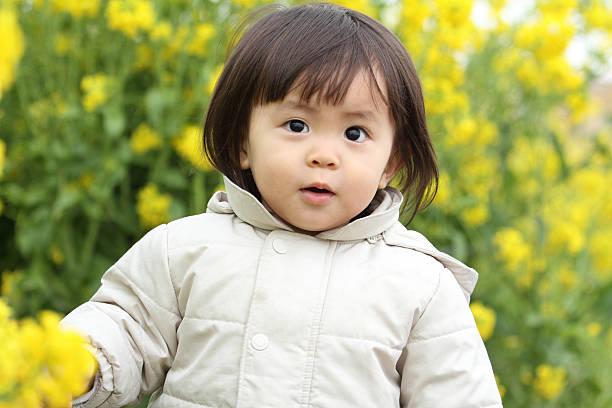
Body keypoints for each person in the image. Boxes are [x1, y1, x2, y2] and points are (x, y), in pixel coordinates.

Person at [62, 3, 503, 407]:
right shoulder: (183, 249)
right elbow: (125, 324)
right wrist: (78, 361)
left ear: (390, 163)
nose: (324, 155)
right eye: (297, 124)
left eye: (354, 134)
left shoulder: (420, 285)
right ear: (242, 144)